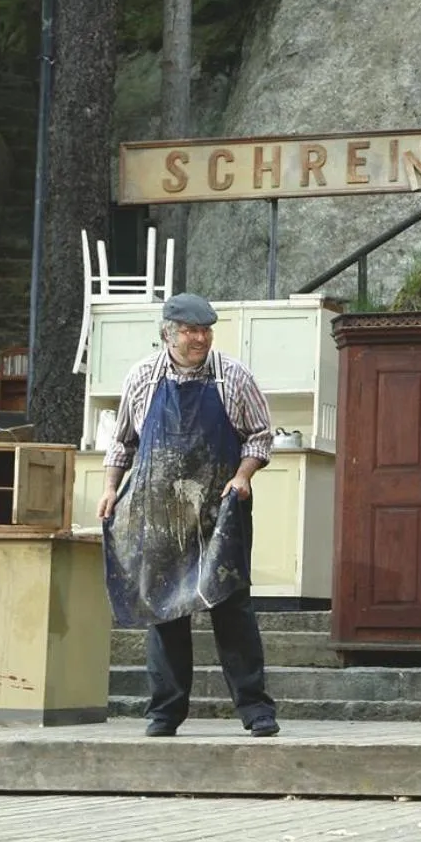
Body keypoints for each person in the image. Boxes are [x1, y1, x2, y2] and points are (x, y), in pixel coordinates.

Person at [98, 292, 280, 738]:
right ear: (168, 334)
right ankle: (165, 712)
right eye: (190, 331)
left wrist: (243, 476)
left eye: (205, 330)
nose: (200, 338)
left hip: (220, 510)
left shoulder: (233, 377)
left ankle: (256, 710)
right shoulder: (142, 378)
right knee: (165, 611)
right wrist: (108, 487)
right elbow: (123, 442)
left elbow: (260, 436)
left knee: (231, 606)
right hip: (160, 513)